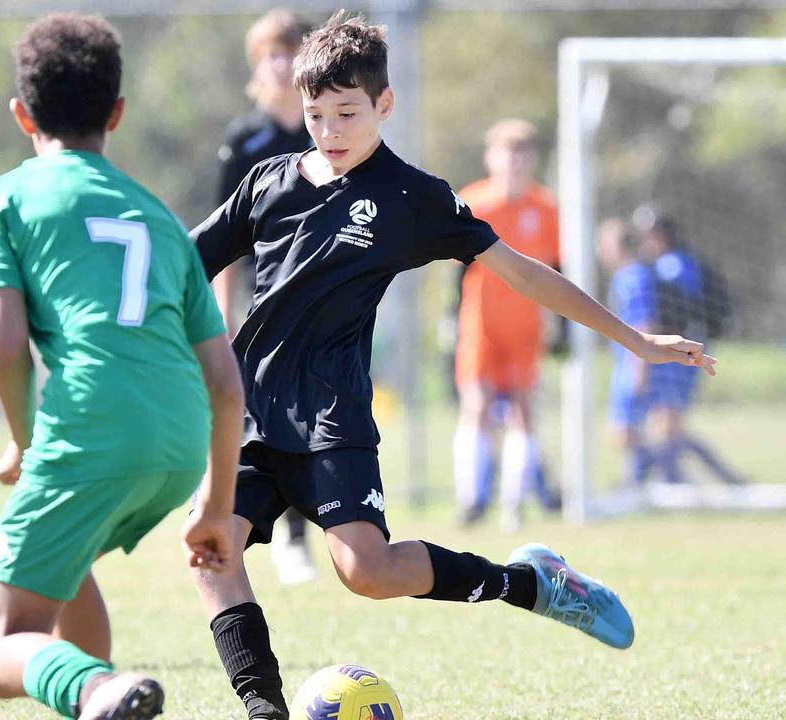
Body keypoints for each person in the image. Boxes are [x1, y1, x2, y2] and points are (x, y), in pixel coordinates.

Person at [188, 14, 716, 720]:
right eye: (316, 116)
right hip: (249, 414)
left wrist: (635, 340)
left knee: (366, 574)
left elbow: (524, 275)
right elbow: (182, 262)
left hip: (329, 415)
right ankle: (263, 708)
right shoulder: (268, 183)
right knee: (211, 552)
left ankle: (530, 584)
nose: (329, 130)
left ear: (384, 104)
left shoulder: (410, 198)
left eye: (347, 113)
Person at [0, 14, 244, 720]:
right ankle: (105, 702)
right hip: (179, 440)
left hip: (92, 425)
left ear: (20, 115)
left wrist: (25, 440)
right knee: (66, 561)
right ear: (117, 113)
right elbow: (225, 381)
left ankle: (95, 689)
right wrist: (213, 504)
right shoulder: (159, 218)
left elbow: (3, 338)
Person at [213, 9, 318, 586]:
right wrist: (223, 317)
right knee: (265, 418)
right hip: (263, 298)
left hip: (324, 297)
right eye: (270, 54)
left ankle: (302, 534)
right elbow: (224, 237)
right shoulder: (244, 140)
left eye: (289, 51)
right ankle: (268, 532)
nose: (280, 63)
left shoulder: (326, 128)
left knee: (316, 413)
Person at [453, 118, 561, 530]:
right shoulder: (474, 201)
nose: (514, 161)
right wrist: (451, 317)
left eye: (522, 153)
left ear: (532, 159)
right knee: (476, 407)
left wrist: (561, 324)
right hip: (480, 322)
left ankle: (513, 503)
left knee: (523, 410)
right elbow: (456, 269)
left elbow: (555, 266)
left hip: (525, 324)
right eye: (506, 152)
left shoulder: (546, 207)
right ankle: (471, 499)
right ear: (490, 157)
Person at [636, 209, 743, 485]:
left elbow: (680, 313)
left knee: (667, 420)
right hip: (682, 352)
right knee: (667, 422)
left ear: (659, 235)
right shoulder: (681, 263)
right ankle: (675, 478)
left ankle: (676, 480)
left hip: (681, 354)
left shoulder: (672, 266)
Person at [597, 218, 658, 485]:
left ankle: (656, 474)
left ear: (617, 246)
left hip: (632, 364)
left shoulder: (634, 276)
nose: (599, 250)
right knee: (625, 431)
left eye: (603, 244)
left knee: (625, 430)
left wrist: (640, 367)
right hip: (625, 361)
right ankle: (638, 479)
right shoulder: (625, 276)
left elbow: (644, 322)